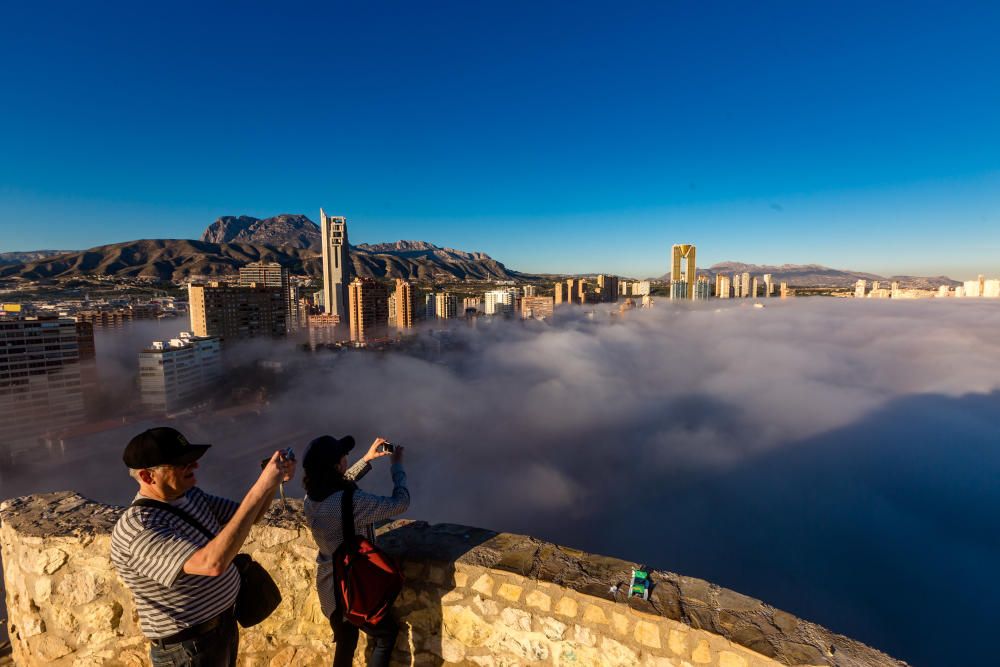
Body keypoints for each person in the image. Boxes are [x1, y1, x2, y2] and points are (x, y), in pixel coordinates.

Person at [111, 427, 295, 667]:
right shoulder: (139, 528)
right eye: (182, 463)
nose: (194, 466)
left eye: (192, 460)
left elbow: (251, 516)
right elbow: (212, 563)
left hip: (221, 629)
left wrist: (273, 482)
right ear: (147, 477)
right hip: (187, 649)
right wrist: (260, 486)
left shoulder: (190, 496)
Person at [302, 434, 409, 667]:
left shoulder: (310, 499)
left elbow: (340, 485)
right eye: (344, 456)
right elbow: (400, 504)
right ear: (336, 465)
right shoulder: (351, 502)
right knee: (385, 635)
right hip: (355, 588)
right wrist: (397, 469)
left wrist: (367, 459)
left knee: (346, 642)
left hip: (330, 588)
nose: (346, 458)